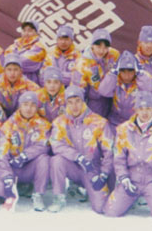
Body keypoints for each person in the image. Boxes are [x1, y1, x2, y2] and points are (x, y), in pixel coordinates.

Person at [104, 91, 152, 222]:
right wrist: (124, 178)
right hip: (131, 179)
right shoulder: (123, 130)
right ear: (135, 110)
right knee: (111, 211)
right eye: (141, 108)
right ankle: (130, 199)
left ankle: (151, 198)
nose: (144, 112)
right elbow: (119, 157)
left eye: (148, 108)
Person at [48, 85, 114, 213]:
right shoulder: (60, 122)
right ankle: (58, 197)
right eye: (70, 102)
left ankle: (90, 190)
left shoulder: (99, 122)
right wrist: (78, 157)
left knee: (100, 208)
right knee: (57, 160)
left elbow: (109, 151)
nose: (74, 106)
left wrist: (104, 174)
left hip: (93, 169)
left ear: (84, 101)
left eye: (78, 101)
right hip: (73, 165)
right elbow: (56, 144)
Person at [0, 91, 51, 211]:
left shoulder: (43, 125)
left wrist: (24, 156)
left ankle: (38, 194)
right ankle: (12, 191)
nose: (28, 108)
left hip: (30, 167)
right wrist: (7, 177)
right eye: (25, 104)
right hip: (12, 168)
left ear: (36, 107)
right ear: (20, 106)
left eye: (32, 105)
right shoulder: (8, 125)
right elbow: (1, 153)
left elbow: (44, 145)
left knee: (44, 159)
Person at [98, 50, 152, 131]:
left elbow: (150, 92)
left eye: (130, 71)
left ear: (135, 70)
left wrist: (140, 73)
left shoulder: (142, 79)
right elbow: (103, 91)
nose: (127, 75)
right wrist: (113, 72)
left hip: (135, 124)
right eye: (123, 71)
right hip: (115, 122)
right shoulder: (114, 79)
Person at [71, 28, 120, 117]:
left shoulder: (114, 55)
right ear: (92, 45)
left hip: (113, 98)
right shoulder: (82, 64)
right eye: (98, 47)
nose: (101, 51)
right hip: (95, 102)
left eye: (105, 47)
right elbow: (79, 91)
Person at [0, 54, 39, 119]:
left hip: (22, 119)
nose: (12, 73)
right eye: (9, 69)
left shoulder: (32, 88)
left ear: (21, 71)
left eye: (15, 69)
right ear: (4, 70)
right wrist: (2, 121)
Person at [5, 20, 47, 86]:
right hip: (12, 83)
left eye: (30, 31)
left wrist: (11, 60)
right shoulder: (15, 45)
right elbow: (5, 59)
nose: (26, 33)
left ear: (36, 32)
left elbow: (24, 62)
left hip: (29, 83)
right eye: (24, 30)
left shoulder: (39, 48)